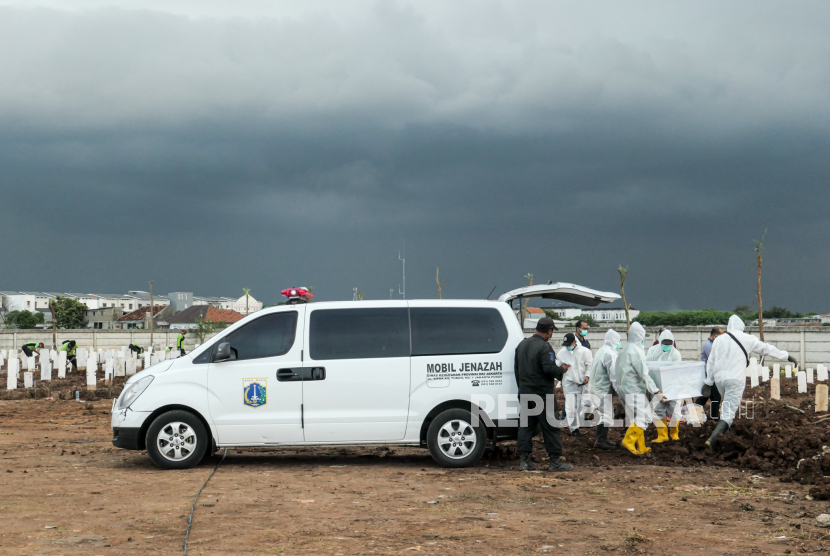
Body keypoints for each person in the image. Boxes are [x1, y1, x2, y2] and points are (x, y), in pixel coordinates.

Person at [704, 315, 796, 454]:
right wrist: (786, 356)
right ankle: (712, 440)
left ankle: (724, 434)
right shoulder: (747, 338)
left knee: (727, 406)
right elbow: (766, 349)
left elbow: (711, 361)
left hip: (719, 379)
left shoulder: (719, 339)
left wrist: (708, 381)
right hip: (735, 379)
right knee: (728, 411)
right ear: (742, 327)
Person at [515, 317, 573, 472]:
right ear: (549, 331)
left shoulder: (522, 345)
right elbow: (548, 368)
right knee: (551, 426)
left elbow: (517, 370)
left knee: (525, 426)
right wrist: (562, 370)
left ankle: (524, 461)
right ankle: (555, 462)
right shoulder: (544, 347)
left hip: (525, 393)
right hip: (542, 394)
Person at [615, 323, 667, 456]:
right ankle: (628, 440)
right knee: (645, 416)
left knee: (636, 419)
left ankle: (641, 447)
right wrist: (656, 391)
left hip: (624, 389)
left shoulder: (625, 350)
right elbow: (644, 374)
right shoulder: (636, 351)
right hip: (634, 390)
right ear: (639, 337)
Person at [587, 329, 622, 449]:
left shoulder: (601, 350)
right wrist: (621, 391)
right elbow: (614, 375)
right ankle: (600, 441)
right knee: (606, 415)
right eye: (618, 341)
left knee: (605, 414)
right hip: (602, 389)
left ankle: (602, 439)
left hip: (597, 387)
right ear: (614, 340)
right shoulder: (609, 354)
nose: (619, 343)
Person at [645, 329, 682, 443]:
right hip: (656, 386)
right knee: (658, 411)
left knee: (675, 411)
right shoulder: (652, 351)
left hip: (672, 386)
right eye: (665, 344)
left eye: (669, 344)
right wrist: (654, 389)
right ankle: (662, 435)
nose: (667, 346)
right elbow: (647, 368)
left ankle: (674, 434)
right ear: (660, 341)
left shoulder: (675, 354)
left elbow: (676, 372)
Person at [557, 332, 593, 437]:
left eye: (569, 344)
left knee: (585, 404)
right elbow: (558, 367)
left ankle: (583, 421)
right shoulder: (562, 353)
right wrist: (556, 380)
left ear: (575, 342)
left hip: (583, 383)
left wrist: (587, 376)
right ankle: (574, 429)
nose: (568, 347)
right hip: (569, 383)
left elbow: (589, 365)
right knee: (571, 407)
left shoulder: (585, 352)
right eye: (566, 345)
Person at [695, 327, 724, 419]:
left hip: (711, 374)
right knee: (710, 396)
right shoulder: (708, 345)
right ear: (715, 335)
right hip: (708, 374)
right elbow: (714, 359)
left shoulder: (712, 344)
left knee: (711, 396)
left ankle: (712, 416)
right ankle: (712, 417)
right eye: (720, 335)